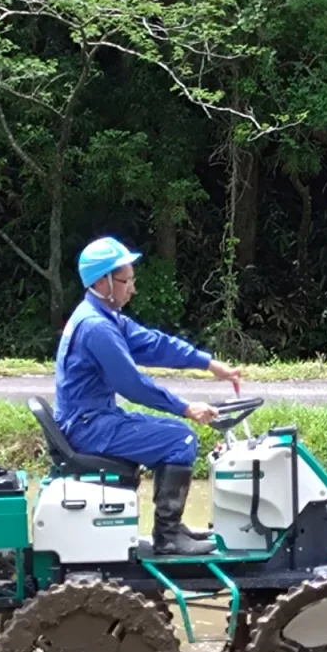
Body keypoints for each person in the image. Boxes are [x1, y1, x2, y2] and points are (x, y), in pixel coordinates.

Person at [55, 236, 243, 557]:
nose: (133, 288)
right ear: (103, 281)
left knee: (174, 436)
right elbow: (133, 385)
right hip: (89, 427)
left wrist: (208, 363)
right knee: (180, 440)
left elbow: (155, 344)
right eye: (126, 281)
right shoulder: (95, 327)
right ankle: (167, 537)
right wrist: (186, 408)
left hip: (93, 419)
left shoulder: (103, 317)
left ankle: (169, 530)